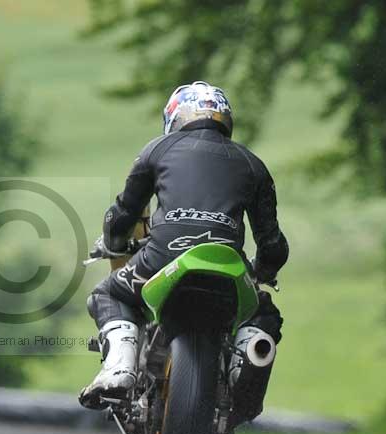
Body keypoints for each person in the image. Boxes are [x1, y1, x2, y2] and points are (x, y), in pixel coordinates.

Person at [79, 81, 289, 416]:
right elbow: (273, 244)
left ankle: (120, 367)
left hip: (163, 256)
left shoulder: (157, 150)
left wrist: (115, 244)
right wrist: (263, 271)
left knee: (108, 294)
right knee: (263, 313)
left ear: (175, 118)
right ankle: (246, 372)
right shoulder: (253, 164)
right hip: (228, 266)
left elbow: (122, 216)